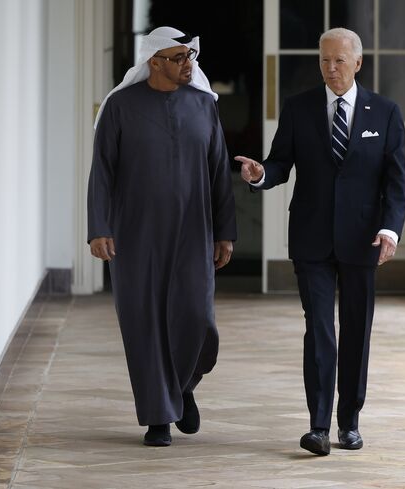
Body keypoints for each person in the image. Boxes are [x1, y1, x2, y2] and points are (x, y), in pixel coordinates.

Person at [235, 27, 405, 456]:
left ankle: (349, 423)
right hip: (311, 238)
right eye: (324, 61)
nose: (331, 69)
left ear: (358, 63)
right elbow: (279, 164)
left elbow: (396, 181)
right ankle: (317, 426)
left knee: (355, 333)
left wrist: (390, 229)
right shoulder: (298, 108)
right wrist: (260, 176)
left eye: (339, 61)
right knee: (319, 330)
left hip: (363, 240)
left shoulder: (384, 112)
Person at [87, 26, 237, 447]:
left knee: (197, 319)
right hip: (136, 234)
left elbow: (218, 171)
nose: (188, 64)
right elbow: (102, 171)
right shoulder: (121, 106)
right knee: (145, 323)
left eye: (191, 57)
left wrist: (225, 232)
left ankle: (184, 385)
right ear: (154, 62)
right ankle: (158, 417)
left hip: (195, 230)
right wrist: (99, 227)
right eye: (179, 58)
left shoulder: (204, 105)